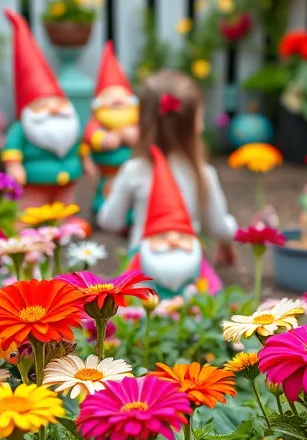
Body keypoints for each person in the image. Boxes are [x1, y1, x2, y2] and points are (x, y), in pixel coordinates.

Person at [97, 71, 237, 297]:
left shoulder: (133, 171)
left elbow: (109, 220)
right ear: (194, 125)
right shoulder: (203, 174)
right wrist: (227, 242)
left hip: (141, 271)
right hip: (190, 269)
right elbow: (220, 227)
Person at [1, 10, 85, 209]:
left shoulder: (70, 124)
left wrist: (86, 160)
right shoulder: (21, 129)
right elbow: (12, 149)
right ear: (28, 110)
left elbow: (80, 145)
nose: (54, 109)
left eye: (57, 102)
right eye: (43, 105)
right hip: (35, 183)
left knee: (65, 207)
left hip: (67, 182)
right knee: (32, 208)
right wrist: (14, 166)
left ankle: (64, 227)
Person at [83, 41, 139, 218]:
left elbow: (141, 138)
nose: (116, 100)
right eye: (109, 96)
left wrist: (129, 135)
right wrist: (106, 140)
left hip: (131, 170)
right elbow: (91, 138)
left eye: (120, 97)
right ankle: (103, 212)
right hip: (107, 172)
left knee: (132, 194)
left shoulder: (136, 121)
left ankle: (129, 216)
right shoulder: (96, 122)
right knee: (107, 192)